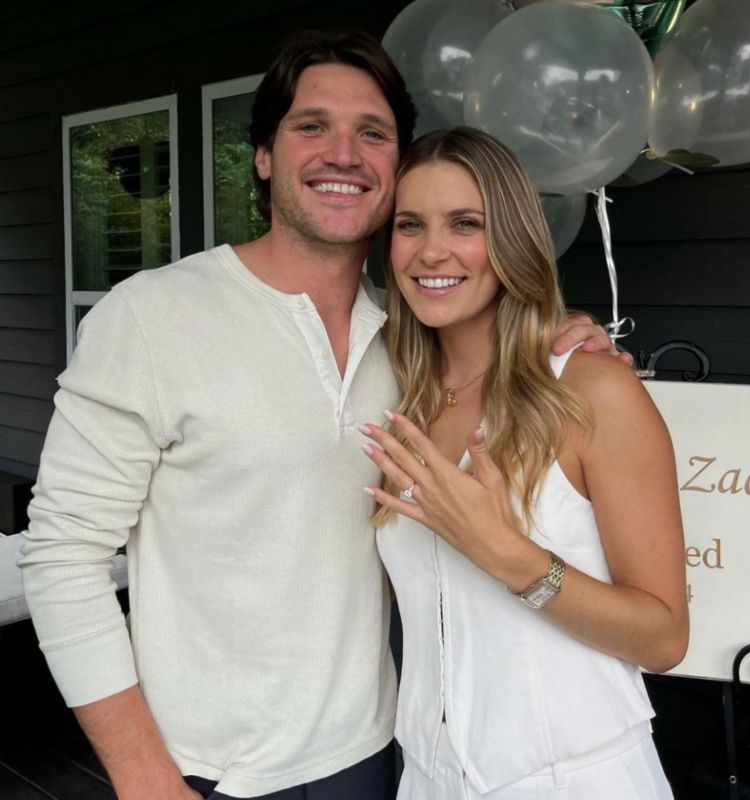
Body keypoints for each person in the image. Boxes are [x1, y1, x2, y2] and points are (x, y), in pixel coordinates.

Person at [20, 33, 623, 800]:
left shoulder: (414, 339)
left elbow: (495, 345)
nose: (344, 153)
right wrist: (144, 777)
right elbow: (62, 556)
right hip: (201, 771)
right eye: (312, 126)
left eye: (372, 133)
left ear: (396, 167)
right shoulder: (149, 317)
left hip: (378, 753)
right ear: (263, 155)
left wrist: (554, 335)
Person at [360, 127, 689, 800]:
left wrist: (509, 555)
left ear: (512, 238)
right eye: (409, 224)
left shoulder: (592, 390)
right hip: (427, 777)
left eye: (466, 224)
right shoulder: (396, 392)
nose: (431, 251)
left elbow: (663, 639)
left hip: (575, 780)